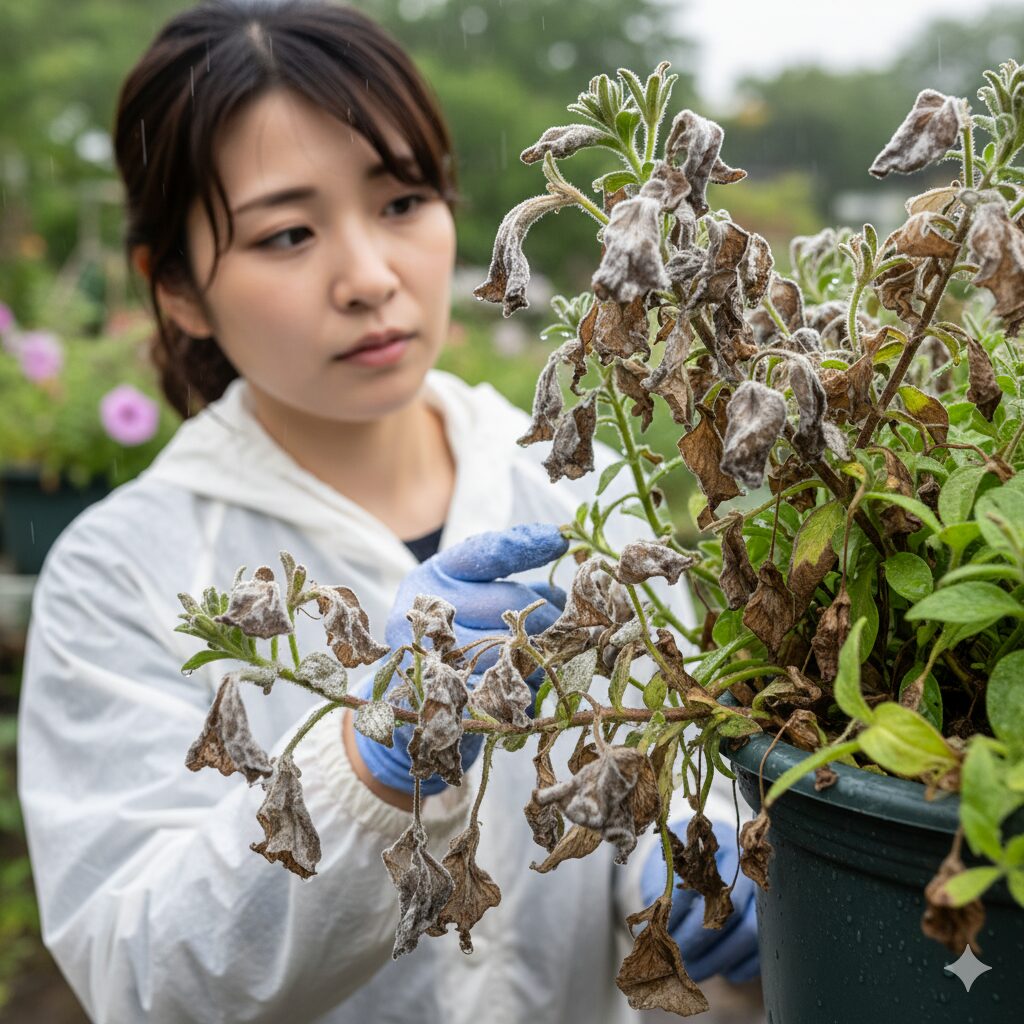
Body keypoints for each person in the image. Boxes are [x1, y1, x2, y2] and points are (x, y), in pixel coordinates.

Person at [16, 2, 760, 1021]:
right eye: (286, 231)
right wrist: (368, 763)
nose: (370, 278)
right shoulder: (126, 570)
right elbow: (144, 976)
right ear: (179, 287)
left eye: (403, 201)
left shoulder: (573, 486)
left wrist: (690, 853)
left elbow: (695, 755)